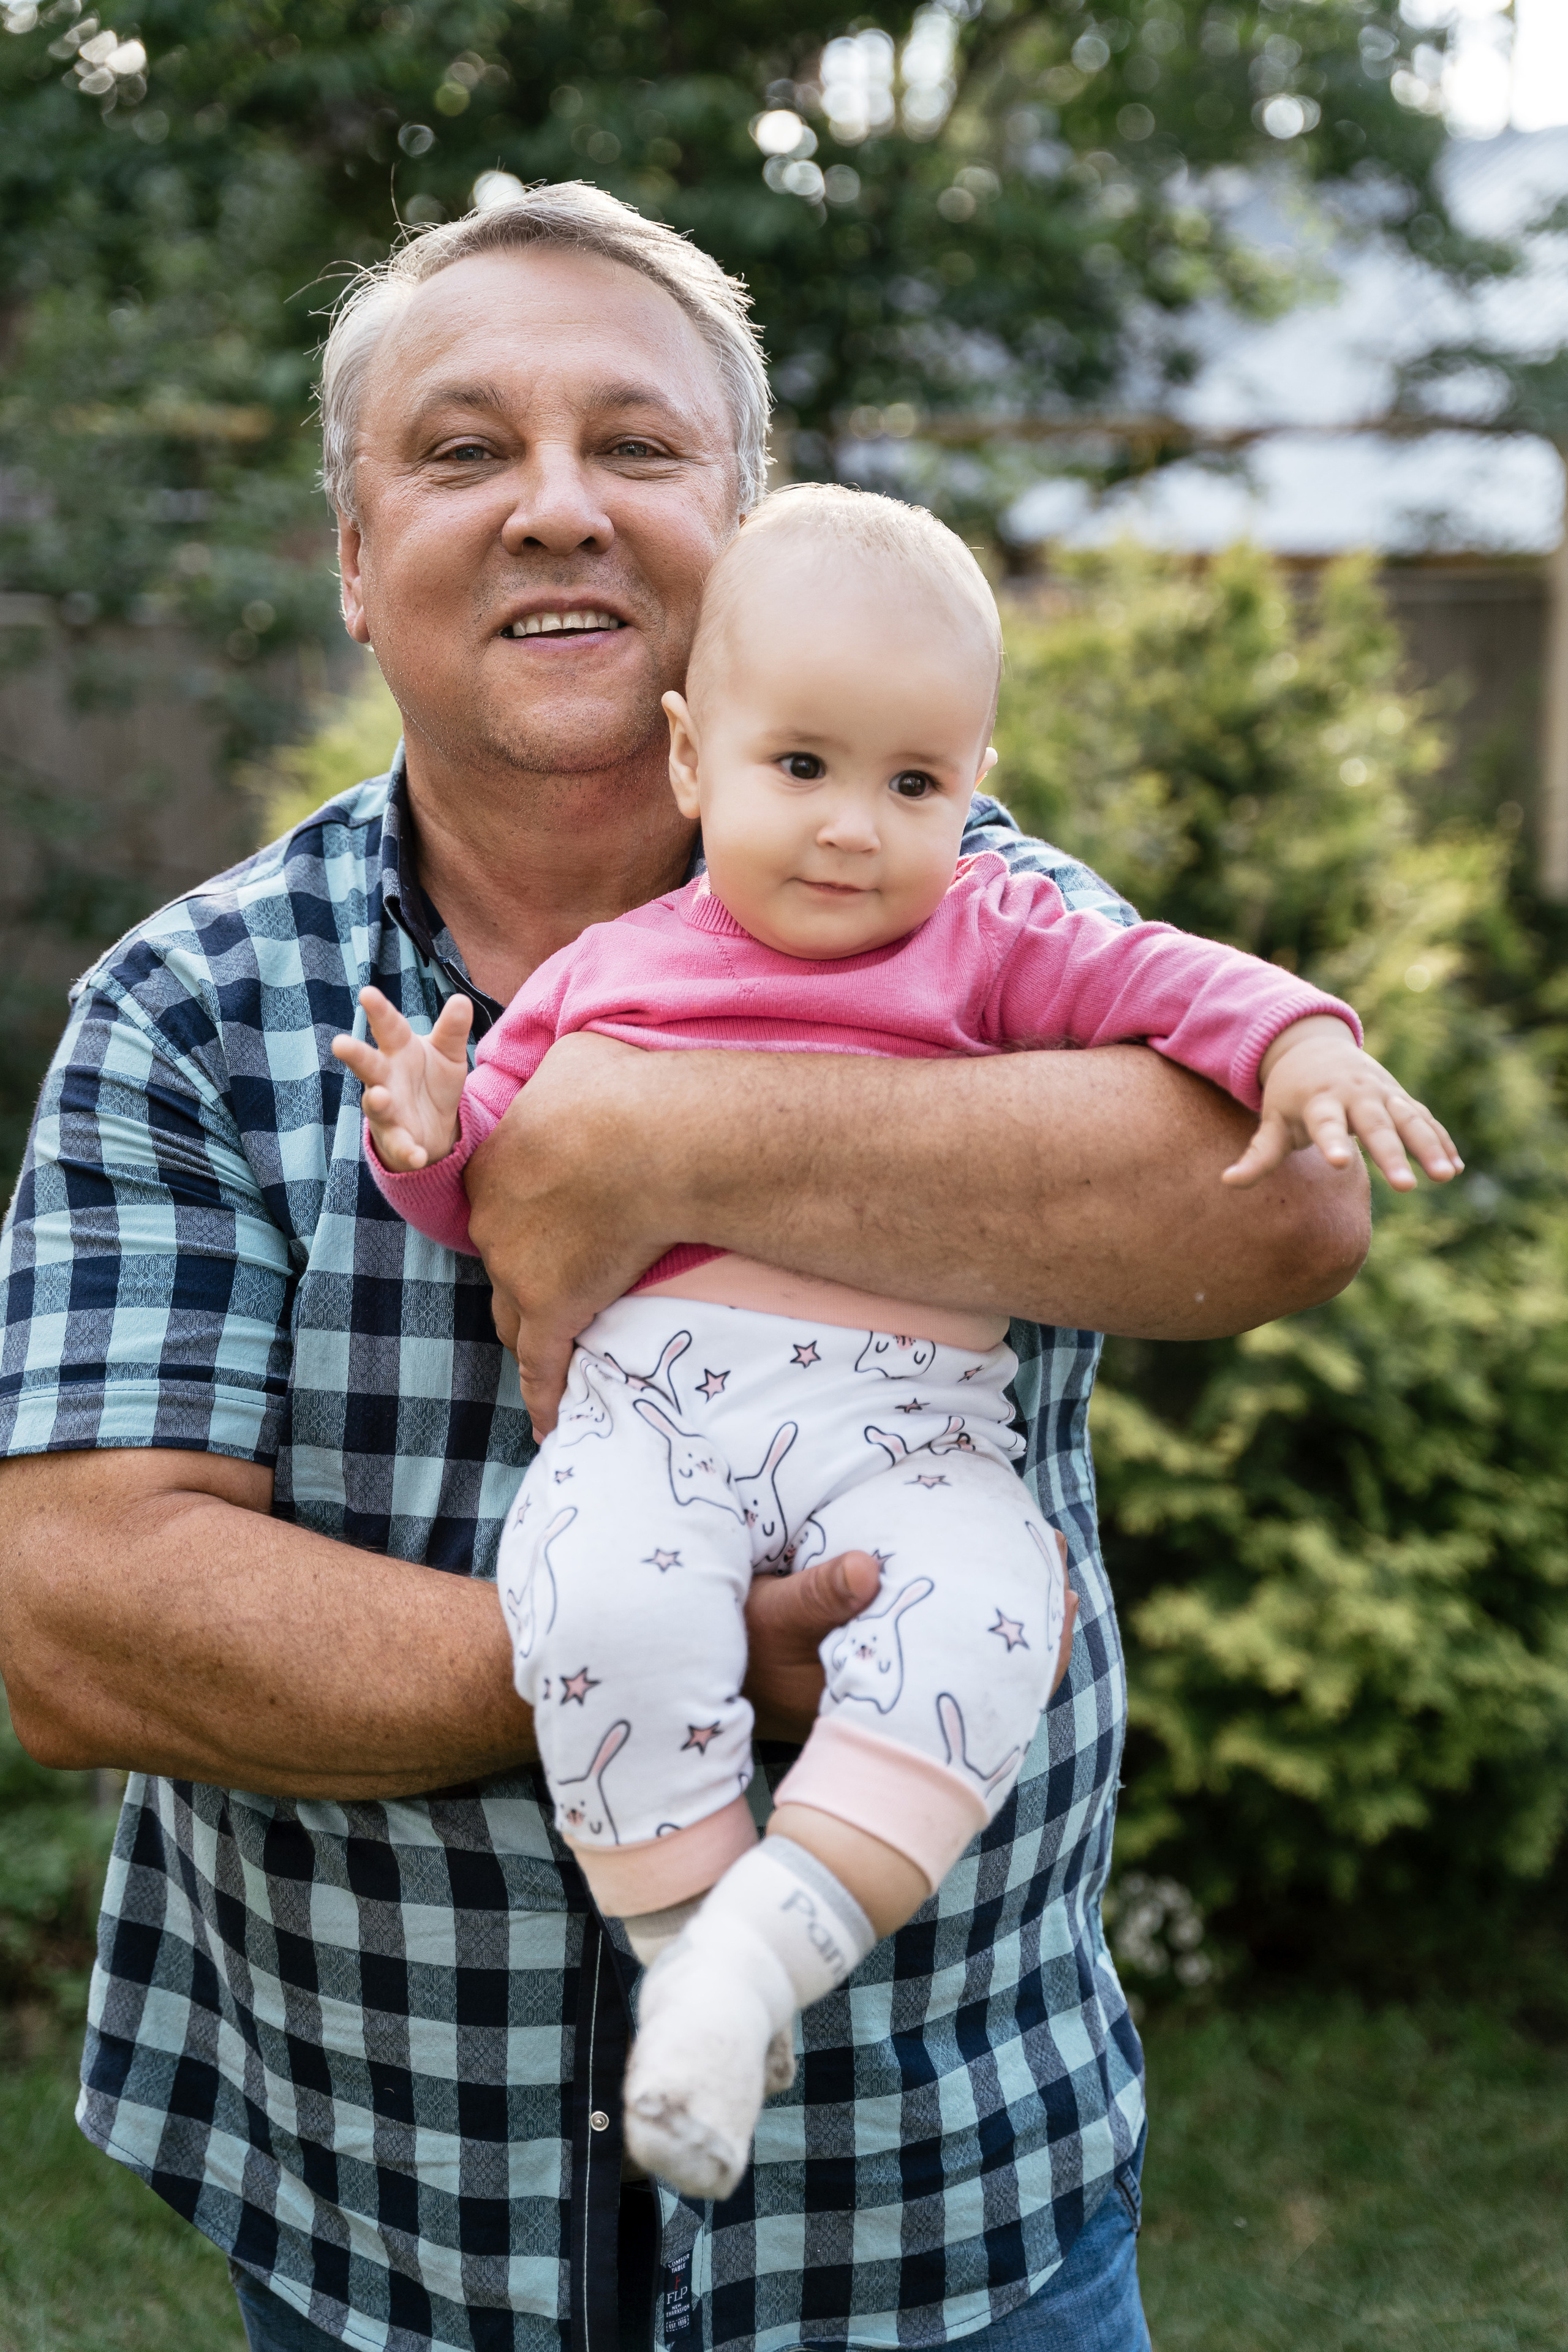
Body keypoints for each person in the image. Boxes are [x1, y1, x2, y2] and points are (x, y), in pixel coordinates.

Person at [0, 184, 1373, 2352]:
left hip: (940, 2201)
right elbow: (76, 1623)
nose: (558, 508)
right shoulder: (189, 1008)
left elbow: (1285, 1198)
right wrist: (647, 1656)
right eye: (463, 454)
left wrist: (668, 1131)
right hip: (387, 2218)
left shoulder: (959, 886)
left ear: (745, 532)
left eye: (638, 450)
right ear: (354, 564)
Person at [340, 480, 1455, 2206]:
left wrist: (1301, 1046)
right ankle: (686, 1947)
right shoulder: (608, 971)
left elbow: (1167, 985)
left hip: (909, 1431)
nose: (856, 827)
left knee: (998, 1610)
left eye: (914, 782)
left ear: (975, 785)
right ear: (695, 759)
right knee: (595, 1594)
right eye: (803, 770)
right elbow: (499, 1196)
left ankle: (765, 1951)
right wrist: (425, 1131)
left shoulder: (991, 940)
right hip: (654, 1419)